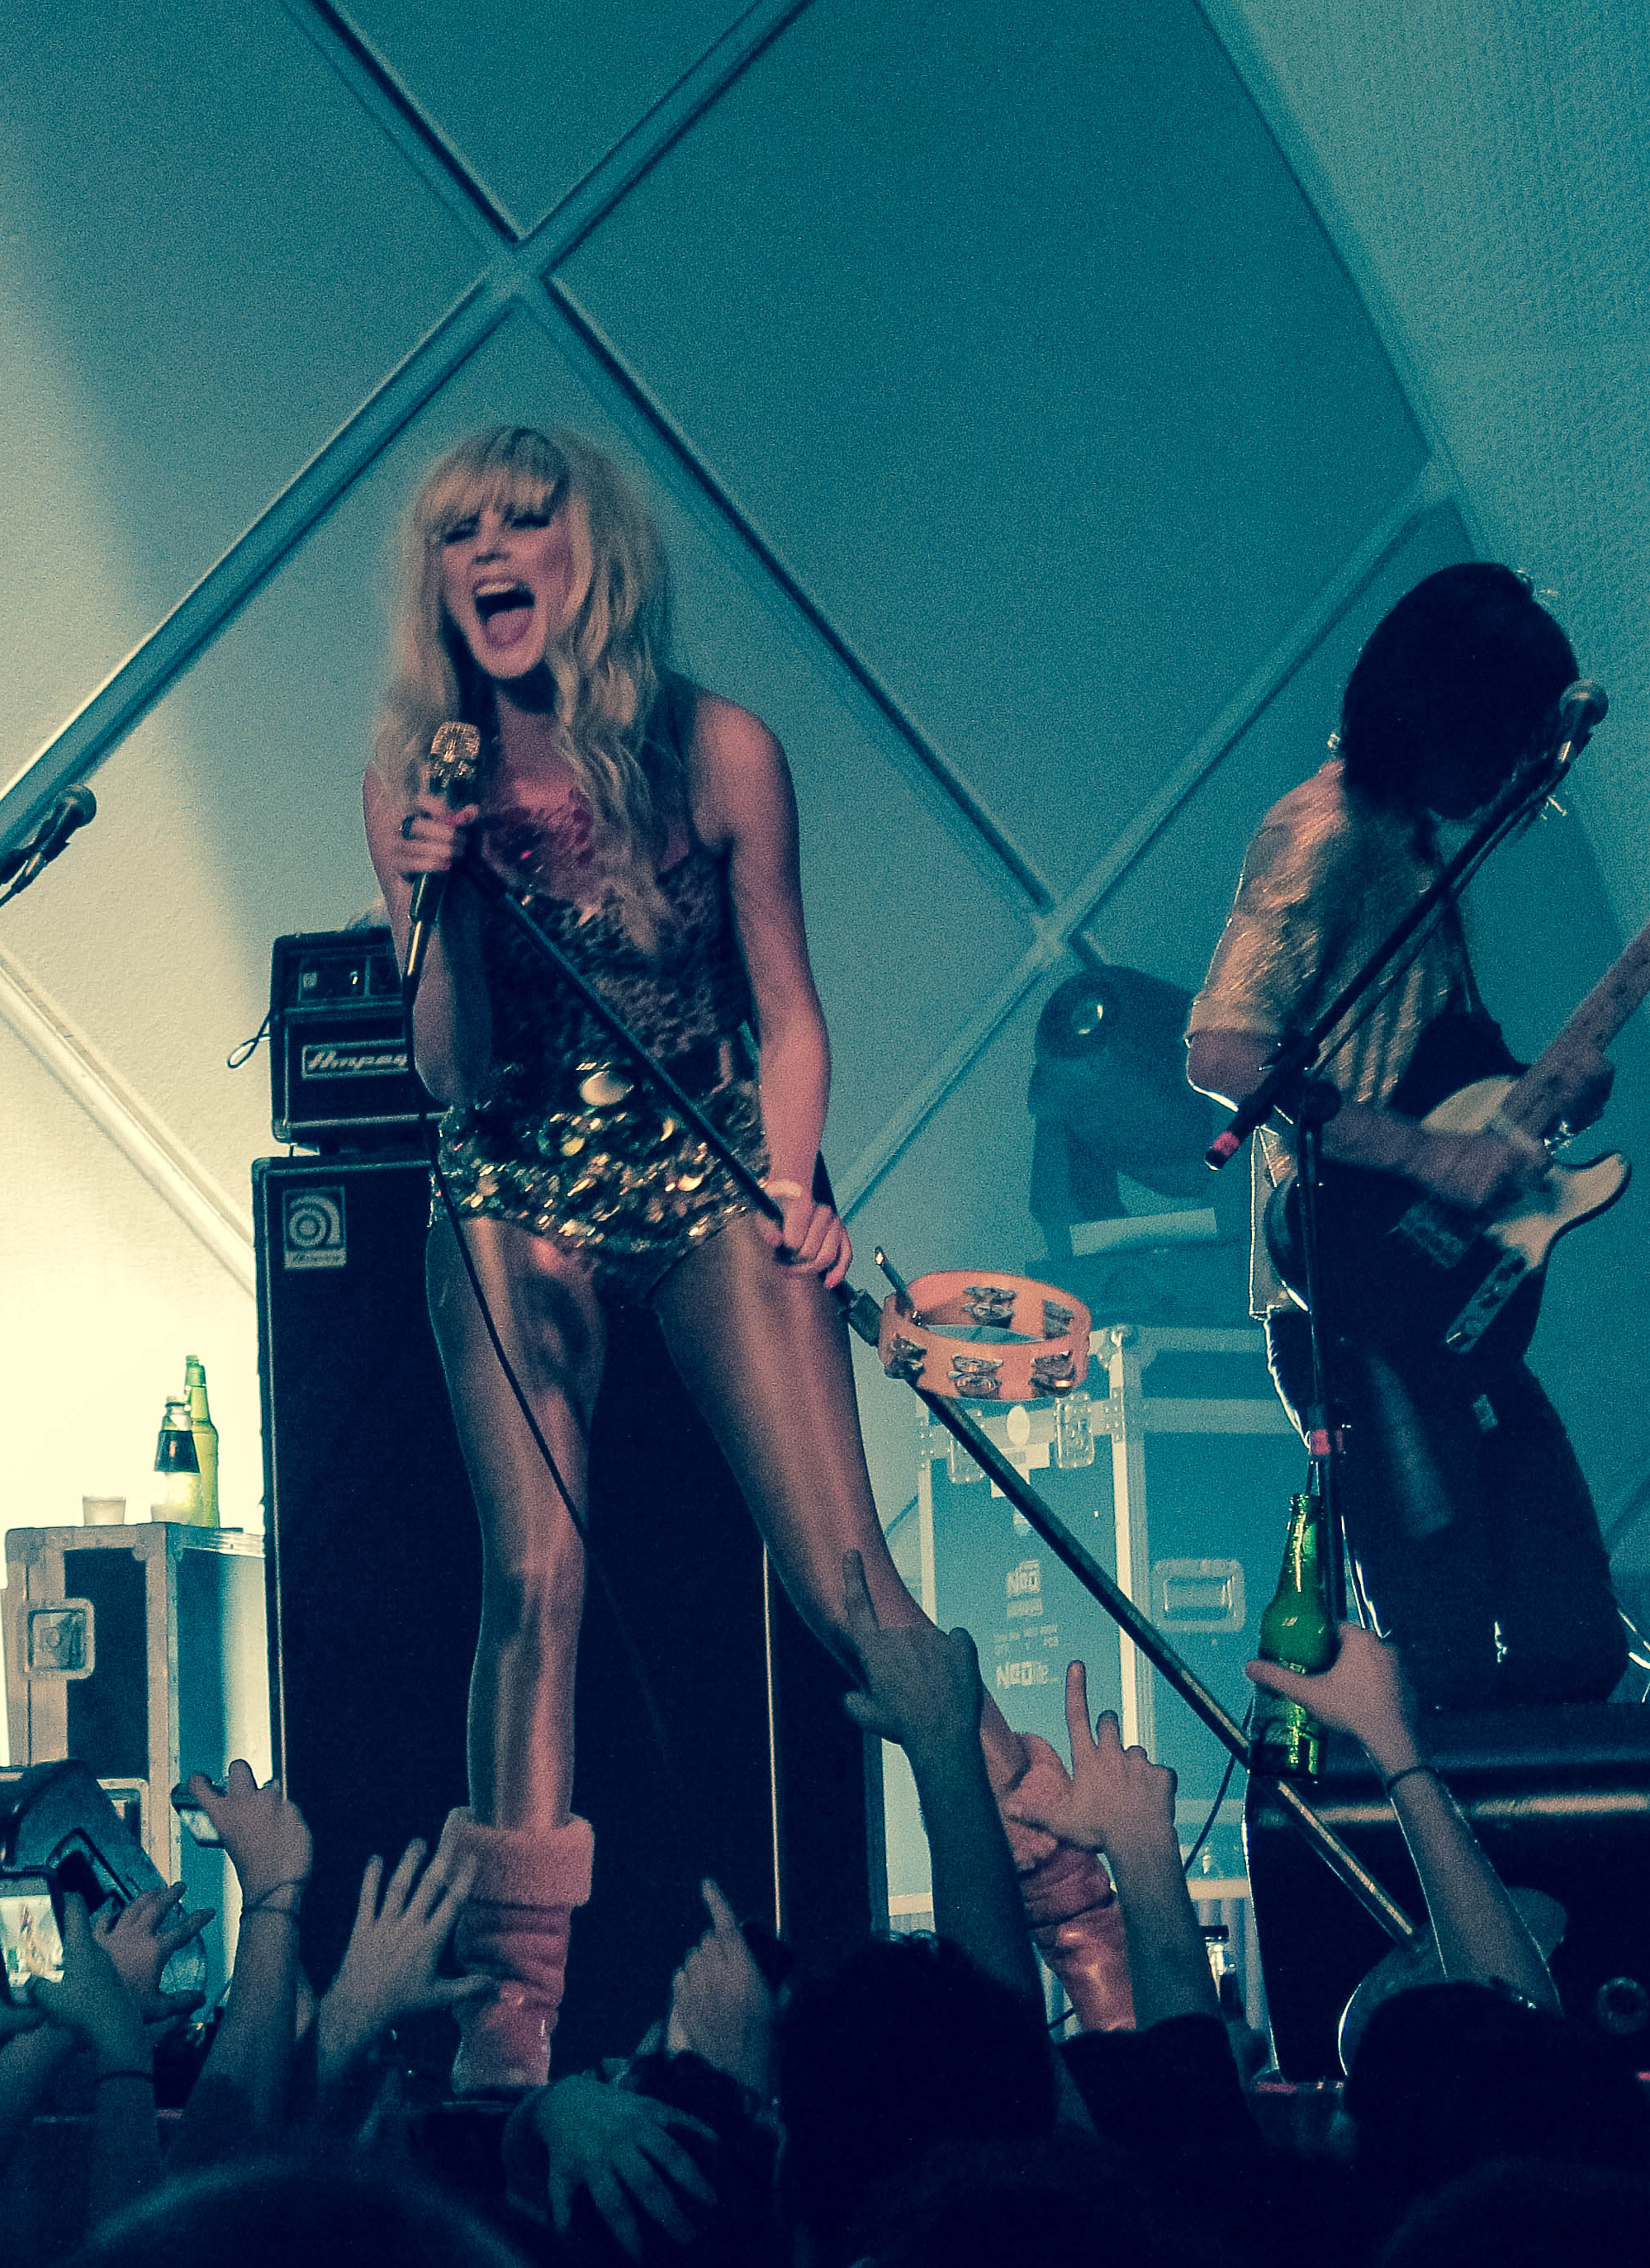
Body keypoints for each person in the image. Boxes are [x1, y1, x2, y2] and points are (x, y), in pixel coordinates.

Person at [359, 424, 1128, 2086]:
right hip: (513, 1177)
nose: (484, 552)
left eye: (519, 521)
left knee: (846, 1584)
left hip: (706, 1157)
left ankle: (1074, 1906)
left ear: (589, 552)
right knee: (531, 1578)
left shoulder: (719, 751)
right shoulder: (422, 778)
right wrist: (438, 899)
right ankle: (508, 2018)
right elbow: (448, 1072)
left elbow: (787, 1009)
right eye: (455, 533)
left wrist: (789, 1179)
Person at [1183, 562, 1625, 1712]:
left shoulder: (1411, 838)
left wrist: (1536, 1092)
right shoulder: (1319, 833)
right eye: (1501, 737)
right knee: (1447, 1653)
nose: (1507, 770)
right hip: (1355, 1302)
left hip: (1439, 1286)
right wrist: (1433, 1157)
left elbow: (1421, 1057)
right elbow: (1224, 1051)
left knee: (1576, 1640)